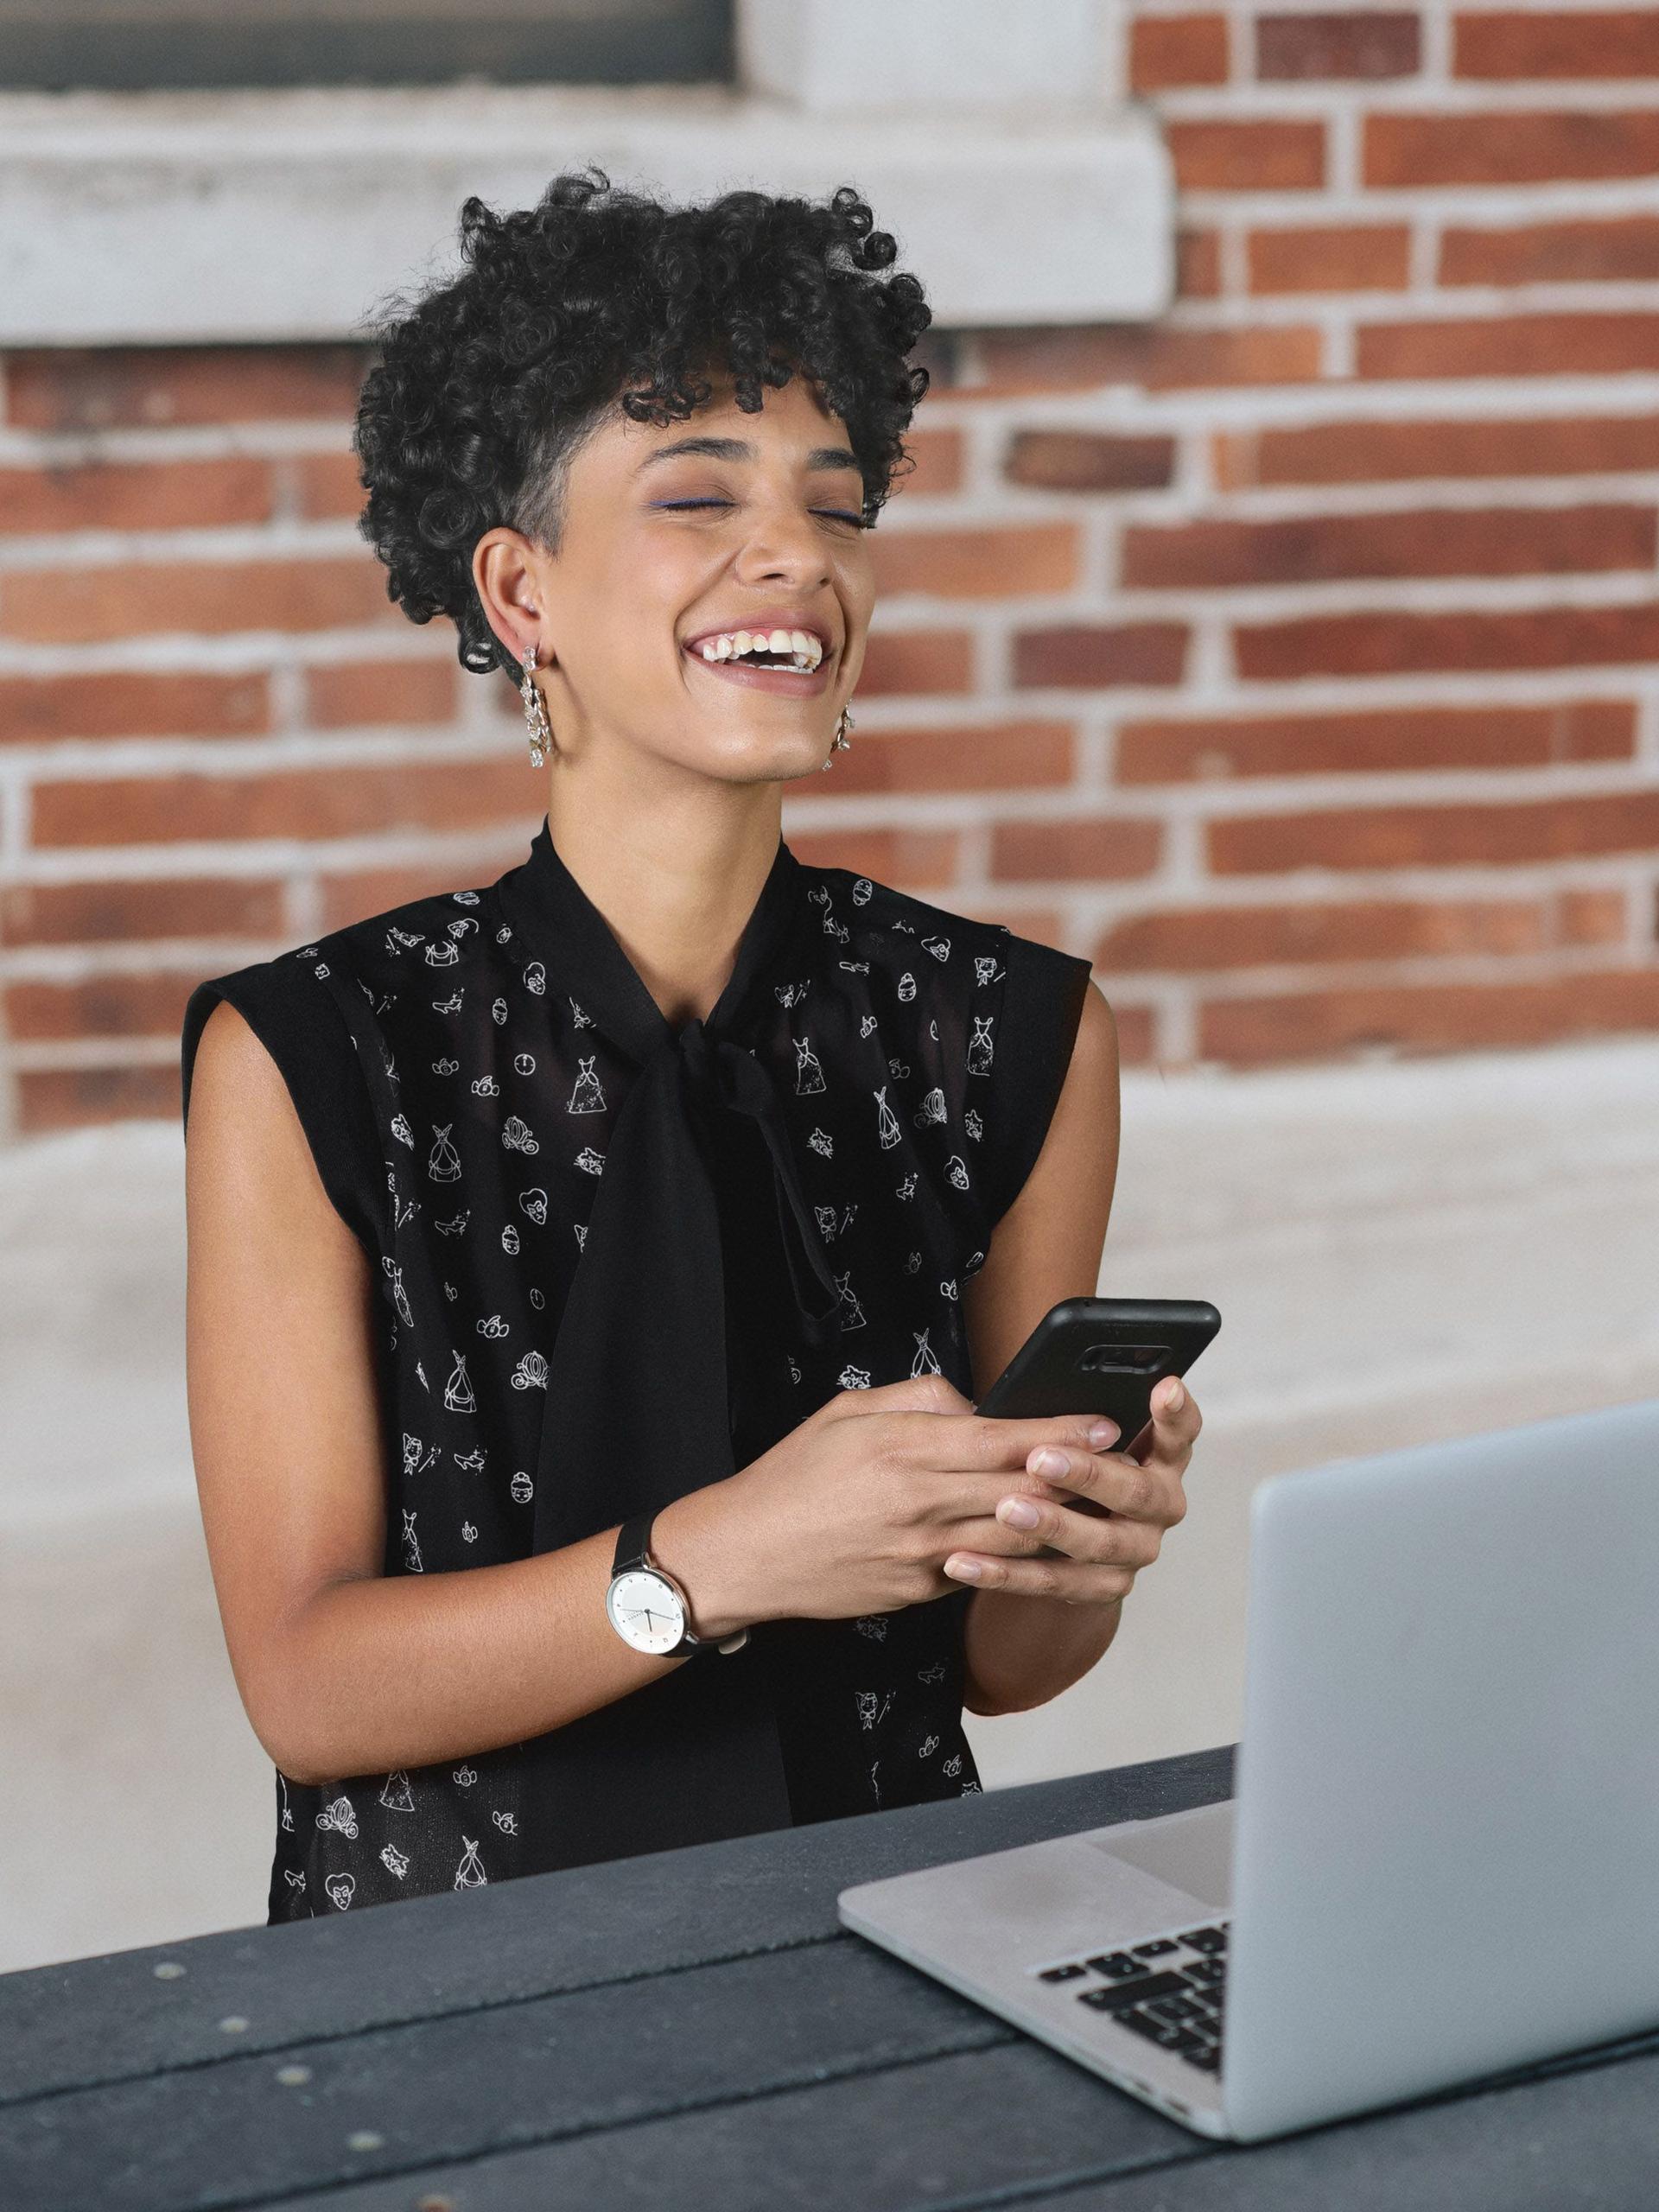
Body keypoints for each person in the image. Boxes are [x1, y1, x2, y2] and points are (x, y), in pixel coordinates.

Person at [180, 167, 1202, 1922]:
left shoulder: (1018, 1033)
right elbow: (308, 1684)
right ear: (524, 593)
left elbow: (994, 1664)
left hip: (889, 1948)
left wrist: (1080, 1562)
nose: (796, 552)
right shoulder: (314, 1053)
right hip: (441, 1998)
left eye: (836, 503)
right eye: (697, 495)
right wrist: (718, 1557)